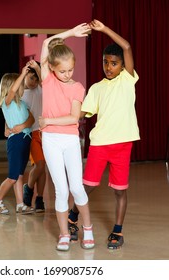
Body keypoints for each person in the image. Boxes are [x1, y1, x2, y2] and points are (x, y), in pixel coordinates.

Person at [68, 19, 140, 250]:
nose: (109, 67)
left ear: (122, 65)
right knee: (86, 186)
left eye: (114, 63)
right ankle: (72, 217)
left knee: (120, 191)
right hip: (99, 144)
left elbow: (126, 47)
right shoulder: (97, 88)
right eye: (105, 62)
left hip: (122, 145)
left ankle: (117, 231)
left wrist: (105, 29)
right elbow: (82, 114)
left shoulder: (127, 80)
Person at [39, 23, 94, 251]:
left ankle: (88, 228)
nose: (67, 74)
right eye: (62, 71)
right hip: (50, 140)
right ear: (51, 68)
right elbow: (45, 43)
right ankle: (64, 234)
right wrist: (70, 33)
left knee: (76, 188)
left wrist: (48, 121)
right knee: (61, 189)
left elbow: (73, 118)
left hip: (70, 139)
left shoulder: (77, 87)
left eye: (70, 69)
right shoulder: (48, 80)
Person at [0, 66, 35, 215]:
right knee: (12, 177)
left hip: (26, 139)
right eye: (20, 84)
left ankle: (20, 204)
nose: (22, 87)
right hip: (16, 141)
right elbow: (11, 92)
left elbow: (31, 119)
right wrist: (23, 74)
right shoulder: (7, 101)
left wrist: (22, 125)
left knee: (20, 176)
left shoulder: (23, 104)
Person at [21, 60, 47, 212]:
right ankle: (29, 188)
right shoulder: (21, 94)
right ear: (25, 75)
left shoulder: (41, 89)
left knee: (43, 169)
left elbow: (46, 82)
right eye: (31, 77)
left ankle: (40, 198)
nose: (34, 81)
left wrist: (39, 71)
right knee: (40, 165)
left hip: (45, 132)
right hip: (31, 133)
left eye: (36, 78)